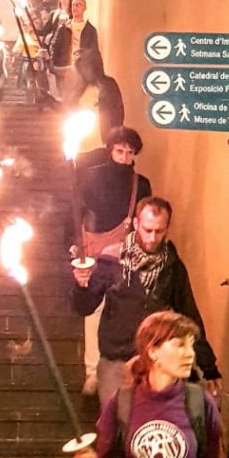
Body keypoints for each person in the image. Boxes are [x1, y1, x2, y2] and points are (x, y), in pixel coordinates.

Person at [72, 197, 222, 405]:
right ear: (136, 224)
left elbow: (189, 316)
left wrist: (208, 366)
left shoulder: (172, 266)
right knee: (120, 426)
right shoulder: (112, 260)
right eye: (147, 229)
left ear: (167, 229)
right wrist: (81, 286)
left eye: (159, 231)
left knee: (153, 426)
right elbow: (84, 306)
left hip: (156, 363)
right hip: (117, 361)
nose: (152, 238)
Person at [71, 311, 229, 458]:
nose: (190, 354)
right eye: (180, 345)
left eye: (191, 346)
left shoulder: (200, 402)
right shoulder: (122, 402)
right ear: (153, 351)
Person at [76, 127, 152, 395]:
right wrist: (74, 244)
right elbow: (76, 212)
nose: (124, 157)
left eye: (129, 152)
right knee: (94, 309)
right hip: (95, 250)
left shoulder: (140, 184)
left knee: (121, 306)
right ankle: (92, 371)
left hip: (125, 252)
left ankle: (116, 369)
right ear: (110, 150)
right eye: (120, 151)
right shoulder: (91, 177)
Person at [72, 49, 124, 145]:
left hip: (102, 144)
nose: (83, 71)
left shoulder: (108, 86)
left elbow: (117, 114)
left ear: (95, 67)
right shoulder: (82, 89)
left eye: (86, 67)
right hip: (82, 145)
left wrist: (113, 140)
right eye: (81, 68)